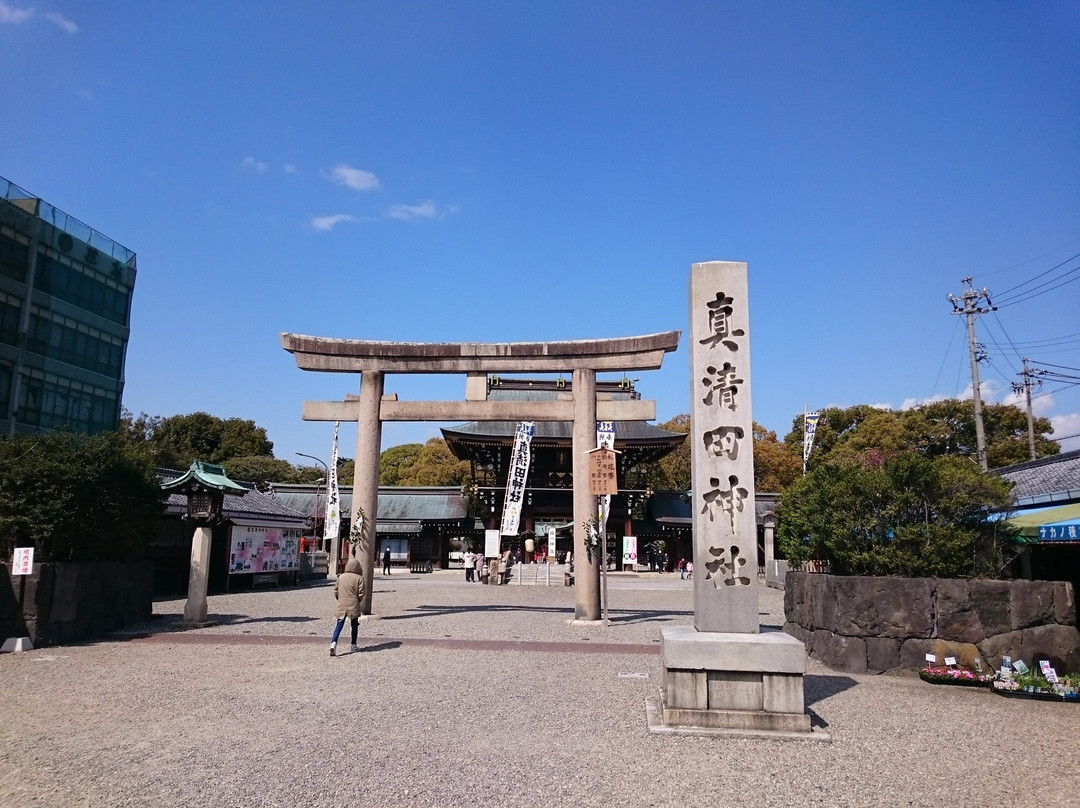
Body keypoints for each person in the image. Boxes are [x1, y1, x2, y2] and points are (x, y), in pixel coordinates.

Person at [330, 557, 365, 656]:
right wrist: (358, 601)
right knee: (354, 625)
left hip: (342, 603)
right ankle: (353, 645)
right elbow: (361, 593)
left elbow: (335, 590)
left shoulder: (341, 577)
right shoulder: (359, 578)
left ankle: (333, 643)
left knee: (339, 625)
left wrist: (339, 599)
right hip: (353, 603)